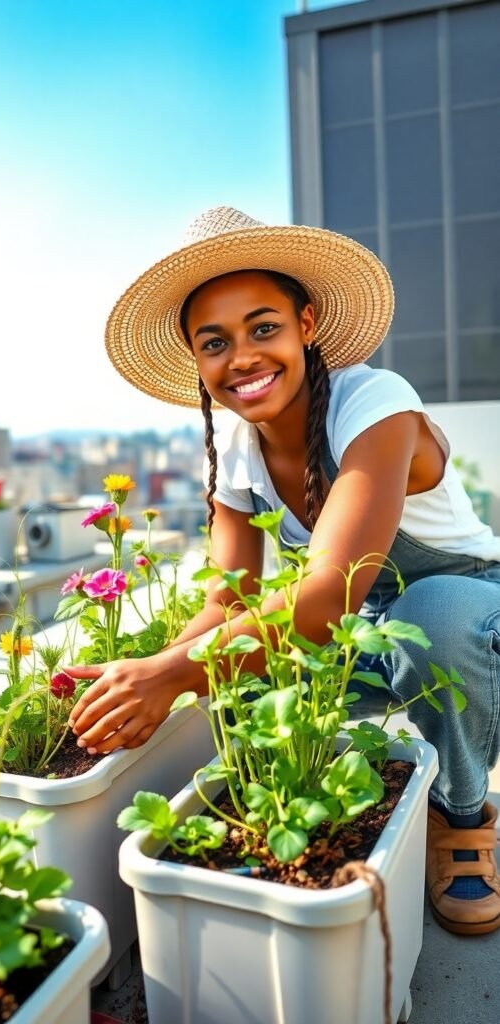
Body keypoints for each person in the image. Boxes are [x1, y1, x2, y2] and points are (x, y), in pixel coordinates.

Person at [66, 206, 500, 935]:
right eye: (215, 341)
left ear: (305, 325)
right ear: (195, 359)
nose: (241, 356)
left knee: (431, 617)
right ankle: (288, 809)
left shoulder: (375, 402)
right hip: (366, 631)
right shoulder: (234, 451)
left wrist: (176, 674)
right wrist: (149, 669)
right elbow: (221, 604)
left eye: (262, 327)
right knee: (238, 672)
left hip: (469, 610)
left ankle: (461, 813)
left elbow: (327, 596)